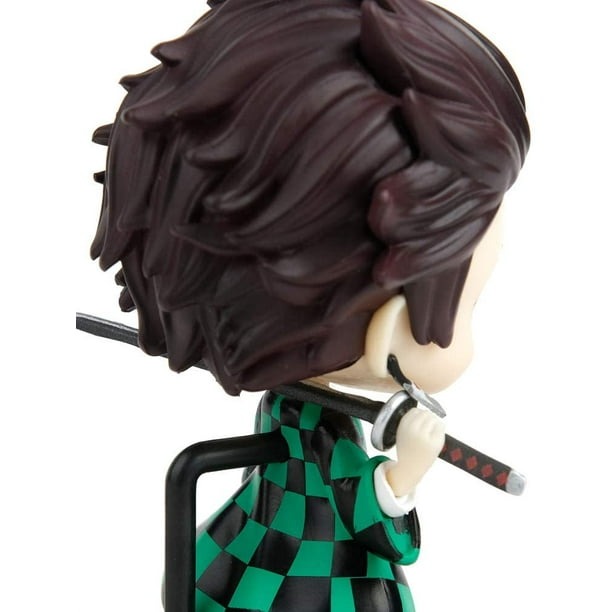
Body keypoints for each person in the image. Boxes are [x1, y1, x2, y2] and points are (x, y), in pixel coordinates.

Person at [91, 0, 529, 609]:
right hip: (310, 587)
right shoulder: (318, 429)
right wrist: (407, 467)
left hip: (230, 566)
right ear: (390, 333)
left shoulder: (284, 406)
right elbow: (371, 523)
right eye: (468, 303)